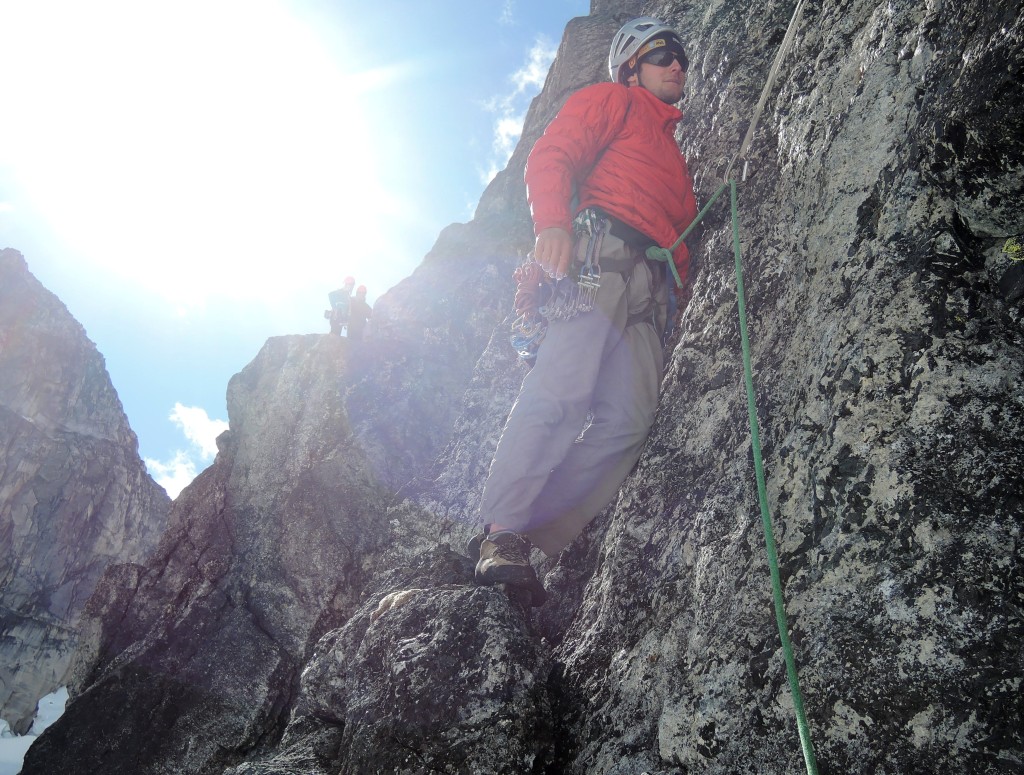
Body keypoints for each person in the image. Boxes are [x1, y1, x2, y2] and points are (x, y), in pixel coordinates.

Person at [472, 17, 698, 606]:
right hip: (599, 261)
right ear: (630, 68)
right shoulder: (611, 101)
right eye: (661, 55)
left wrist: (684, 283)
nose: (677, 64)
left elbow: (678, 232)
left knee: (629, 419)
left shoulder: (673, 152)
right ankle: (503, 533)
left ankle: (534, 533)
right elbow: (553, 154)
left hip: (647, 289)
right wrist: (552, 221)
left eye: (680, 56)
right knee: (561, 393)